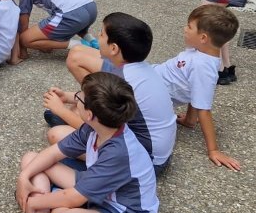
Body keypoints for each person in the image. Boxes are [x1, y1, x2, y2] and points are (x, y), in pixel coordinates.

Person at [16, 72, 158, 213]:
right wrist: (23, 177)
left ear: (89, 114)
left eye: (79, 98)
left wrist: (32, 202)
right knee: (31, 159)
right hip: (96, 189)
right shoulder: (95, 127)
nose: (75, 99)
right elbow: (54, 152)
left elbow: (73, 198)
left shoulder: (119, 152)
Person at [44, 12, 177, 176]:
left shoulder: (120, 79)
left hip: (145, 162)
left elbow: (100, 128)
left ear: (114, 48)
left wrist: (60, 110)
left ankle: (97, 172)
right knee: (73, 113)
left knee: (56, 135)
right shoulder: (140, 68)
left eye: (101, 34)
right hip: (159, 153)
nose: (98, 37)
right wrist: (68, 96)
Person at [155, 5, 241, 171]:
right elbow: (195, 93)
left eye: (189, 27)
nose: (184, 29)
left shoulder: (203, 67)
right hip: (151, 77)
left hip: (145, 92)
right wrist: (189, 120)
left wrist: (213, 150)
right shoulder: (199, 50)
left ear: (203, 38)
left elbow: (203, 108)